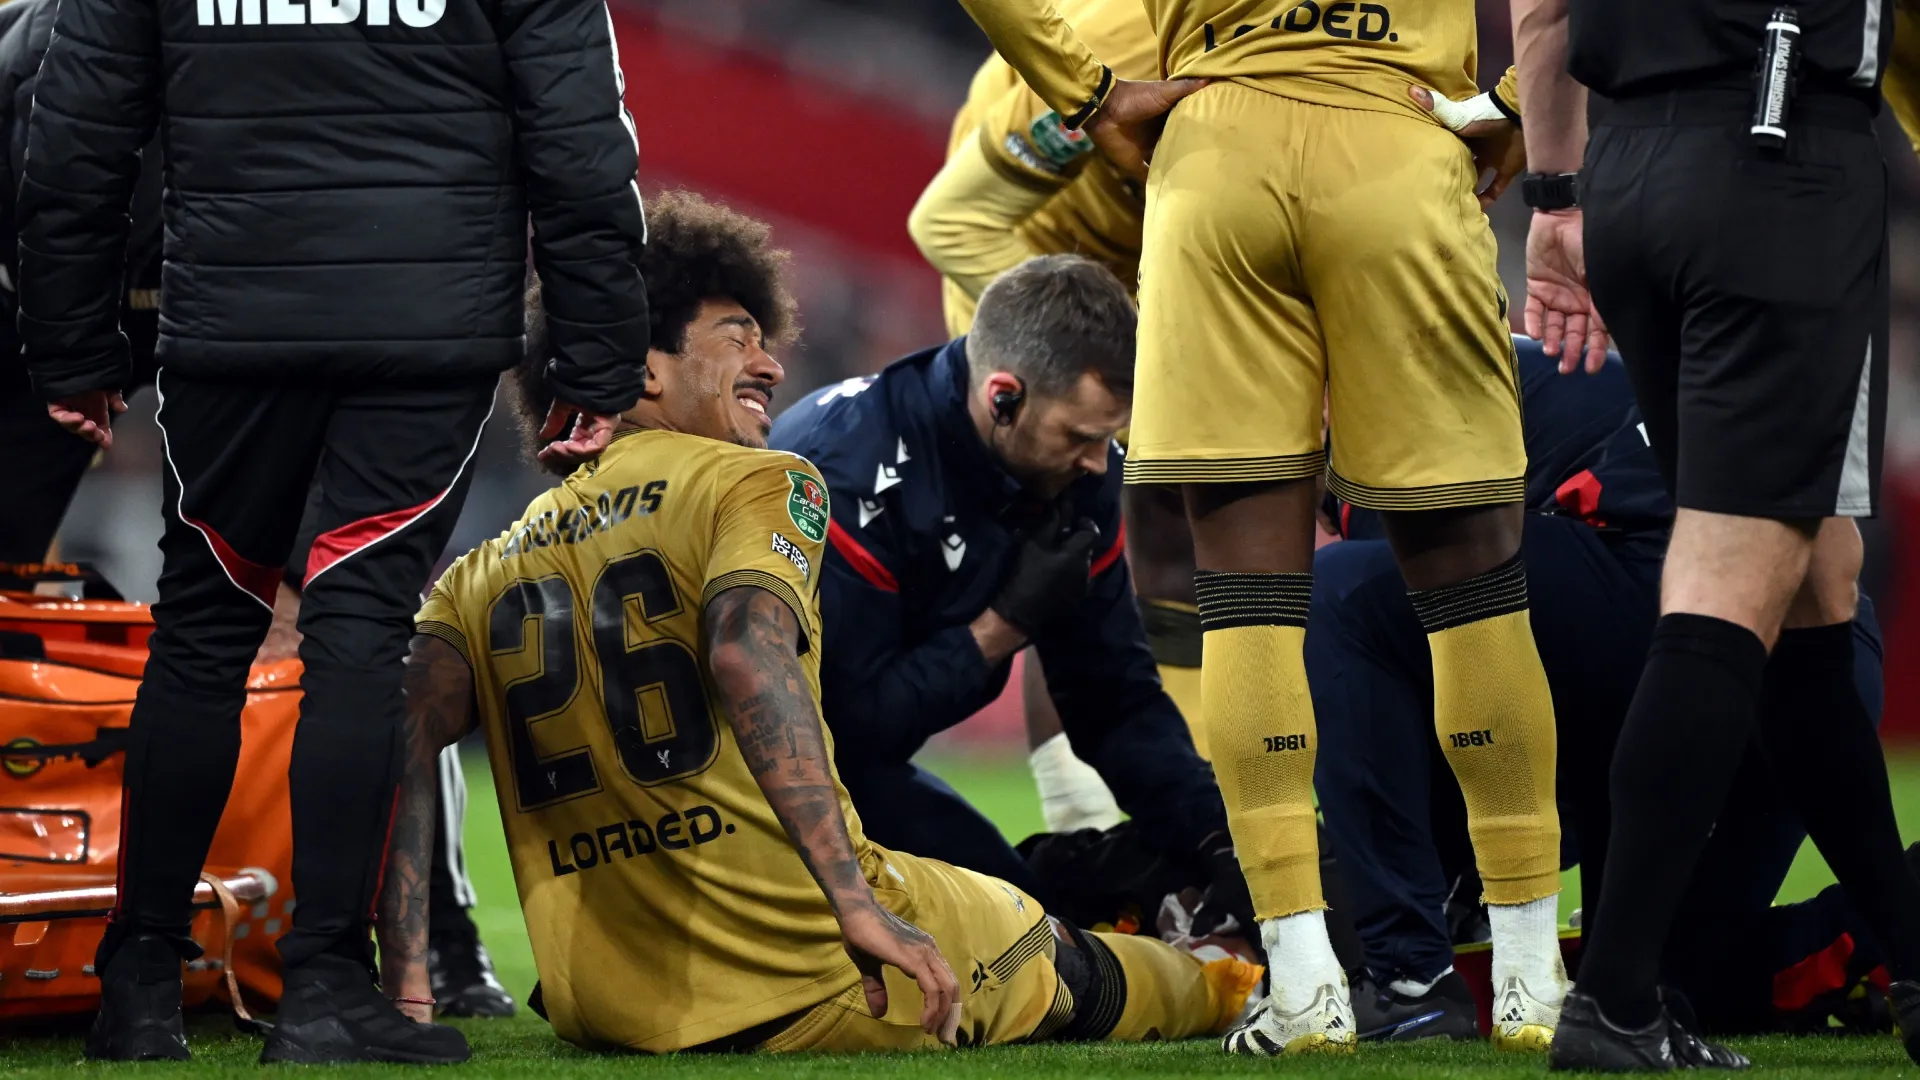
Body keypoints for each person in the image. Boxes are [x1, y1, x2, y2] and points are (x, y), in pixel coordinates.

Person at [378, 191, 1263, 1055]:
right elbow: (748, 656)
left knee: (1028, 889)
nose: (770, 365)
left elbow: (399, 727)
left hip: (604, 1006)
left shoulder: (483, 571)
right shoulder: (767, 481)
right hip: (806, 967)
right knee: (1076, 960)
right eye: (739, 338)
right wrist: (854, 903)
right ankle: (1229, 969)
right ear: (647, 369)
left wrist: (407, 985)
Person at [16, 0, 650, 1059]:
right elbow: (581, 144)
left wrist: (75, 342)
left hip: (231, 324)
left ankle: (137, 983)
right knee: (359, 632)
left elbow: (77, 129)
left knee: (203, 630)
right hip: (424, 329)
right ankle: (321, 986)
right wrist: (597, 357)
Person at [947, 0, 1567, 1056]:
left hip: (1214, 158)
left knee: (1243, 603)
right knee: (1473, 592)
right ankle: (1528, 977)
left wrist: (1088, 93)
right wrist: (1517, 109)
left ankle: (1304, 984)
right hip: (1400, 147)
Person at [1512, 0, 1920, 1069]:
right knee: (1729, 583)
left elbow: (1544, 6)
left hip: (1631, 169)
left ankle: (1915, 955)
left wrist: (1556, 191)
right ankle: (1615, 996)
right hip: (1782, 161)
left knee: (1810, 584)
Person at [1310, 336, 1888, 1043]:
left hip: (1688, 612)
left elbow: (1466, 677)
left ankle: (1408, 980)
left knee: (1340, 597)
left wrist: (1423, 879)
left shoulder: (1382, 419)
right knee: (1656, 981)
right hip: (1826, 660)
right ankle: (1875, 932)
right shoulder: (1515, 375)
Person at [766, 255, 1251, 941]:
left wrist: (1217, 838)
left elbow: (1113, 698)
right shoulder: (842, 478)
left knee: (1042, 916)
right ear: (1003, 396)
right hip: (777, 785)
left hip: (863, 769)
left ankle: (1082, 877)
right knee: (1021, 940)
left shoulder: (1079, 475)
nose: (1096, 462)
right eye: (1081, 437)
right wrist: (1001, 626)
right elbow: (848, 728)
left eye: (1109, 437)